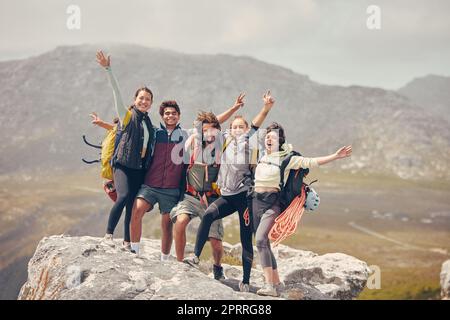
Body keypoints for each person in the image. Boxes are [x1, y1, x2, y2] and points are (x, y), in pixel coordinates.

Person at [129, 96, 246, 261]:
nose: (170, 116)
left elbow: (213, 124)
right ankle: (161, 257)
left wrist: (233, 109)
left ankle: (211, 266)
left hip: (194, 195)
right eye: (167, 113)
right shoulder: (170, 135)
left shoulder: (204, 138)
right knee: (165, 217)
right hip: (171, 191)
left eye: (174, 113)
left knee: (210, 241)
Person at [184, 91, 275, 292]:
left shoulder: (248, 140)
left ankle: (246, 280)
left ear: (246, 129)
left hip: (244, 198)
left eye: (241, 126)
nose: (237, 129)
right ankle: (196, 257)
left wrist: (265, 109)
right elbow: (211, 123)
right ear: (229, 129)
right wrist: (234, 108)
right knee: (207, 215)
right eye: (234, 126)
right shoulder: (223, 138)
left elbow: (257, 124)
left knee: (245, 239)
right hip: (226, 196)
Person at [251, 122, 352, 297]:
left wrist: (335, 156)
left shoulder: (287, 159)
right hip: (255, 202)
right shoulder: (260, 156)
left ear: (280, 140)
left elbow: (311, 162)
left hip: (272, 203)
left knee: (260, 241)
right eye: (267, 135)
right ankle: (276, 281)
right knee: (265, 243)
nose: (269, 138)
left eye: (273, 136)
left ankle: (270, 287)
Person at [96, 50, 155, 249]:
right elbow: (116, 92)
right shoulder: (128, 115)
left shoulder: (149, 123)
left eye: (147, 99)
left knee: (132, 206)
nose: (144, 101)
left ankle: (128, 242)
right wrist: (108, 69)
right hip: (122, 165)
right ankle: (108, 234)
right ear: (135, 99)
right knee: (122, 197)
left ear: (151, 103)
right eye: (141, 98)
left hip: (139, 169)